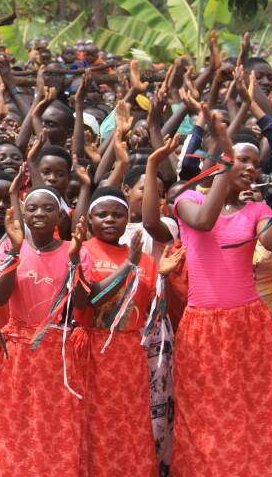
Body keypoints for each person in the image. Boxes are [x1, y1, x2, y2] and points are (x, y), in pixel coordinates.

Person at [149, 113, 272, 476]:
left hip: (250, 324)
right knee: (206, 416)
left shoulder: (257, 208)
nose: (251, 168)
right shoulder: (187, 200)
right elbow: (205, 222)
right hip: (203, 327)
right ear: (220, 160)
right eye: (243, 159)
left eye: (256, 163)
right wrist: (223, 161)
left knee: (256, 413)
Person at [0, 185, 82, 476]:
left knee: (53, 429)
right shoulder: (11, 248)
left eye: (48, 208)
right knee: (15, 427)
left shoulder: (72, 249)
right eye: (32, 208)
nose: (39, 213)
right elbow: (0, 297)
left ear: (60, 216)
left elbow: (80, 303)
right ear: (24, 214)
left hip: (55, 355)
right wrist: (14, 251)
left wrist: (75, 262)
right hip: (17, 355)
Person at [71, 187, 159, 477]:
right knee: (92, 422)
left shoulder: (147, 260)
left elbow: (146, 307)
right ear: (90, 219)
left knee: (127, 423)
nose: (110, 219)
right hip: (92, 350)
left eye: (117, 214)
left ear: (128, 218)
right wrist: (128, 264)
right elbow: (91, 299)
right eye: (102, 214)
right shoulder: (82, 251)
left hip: (128, 354)